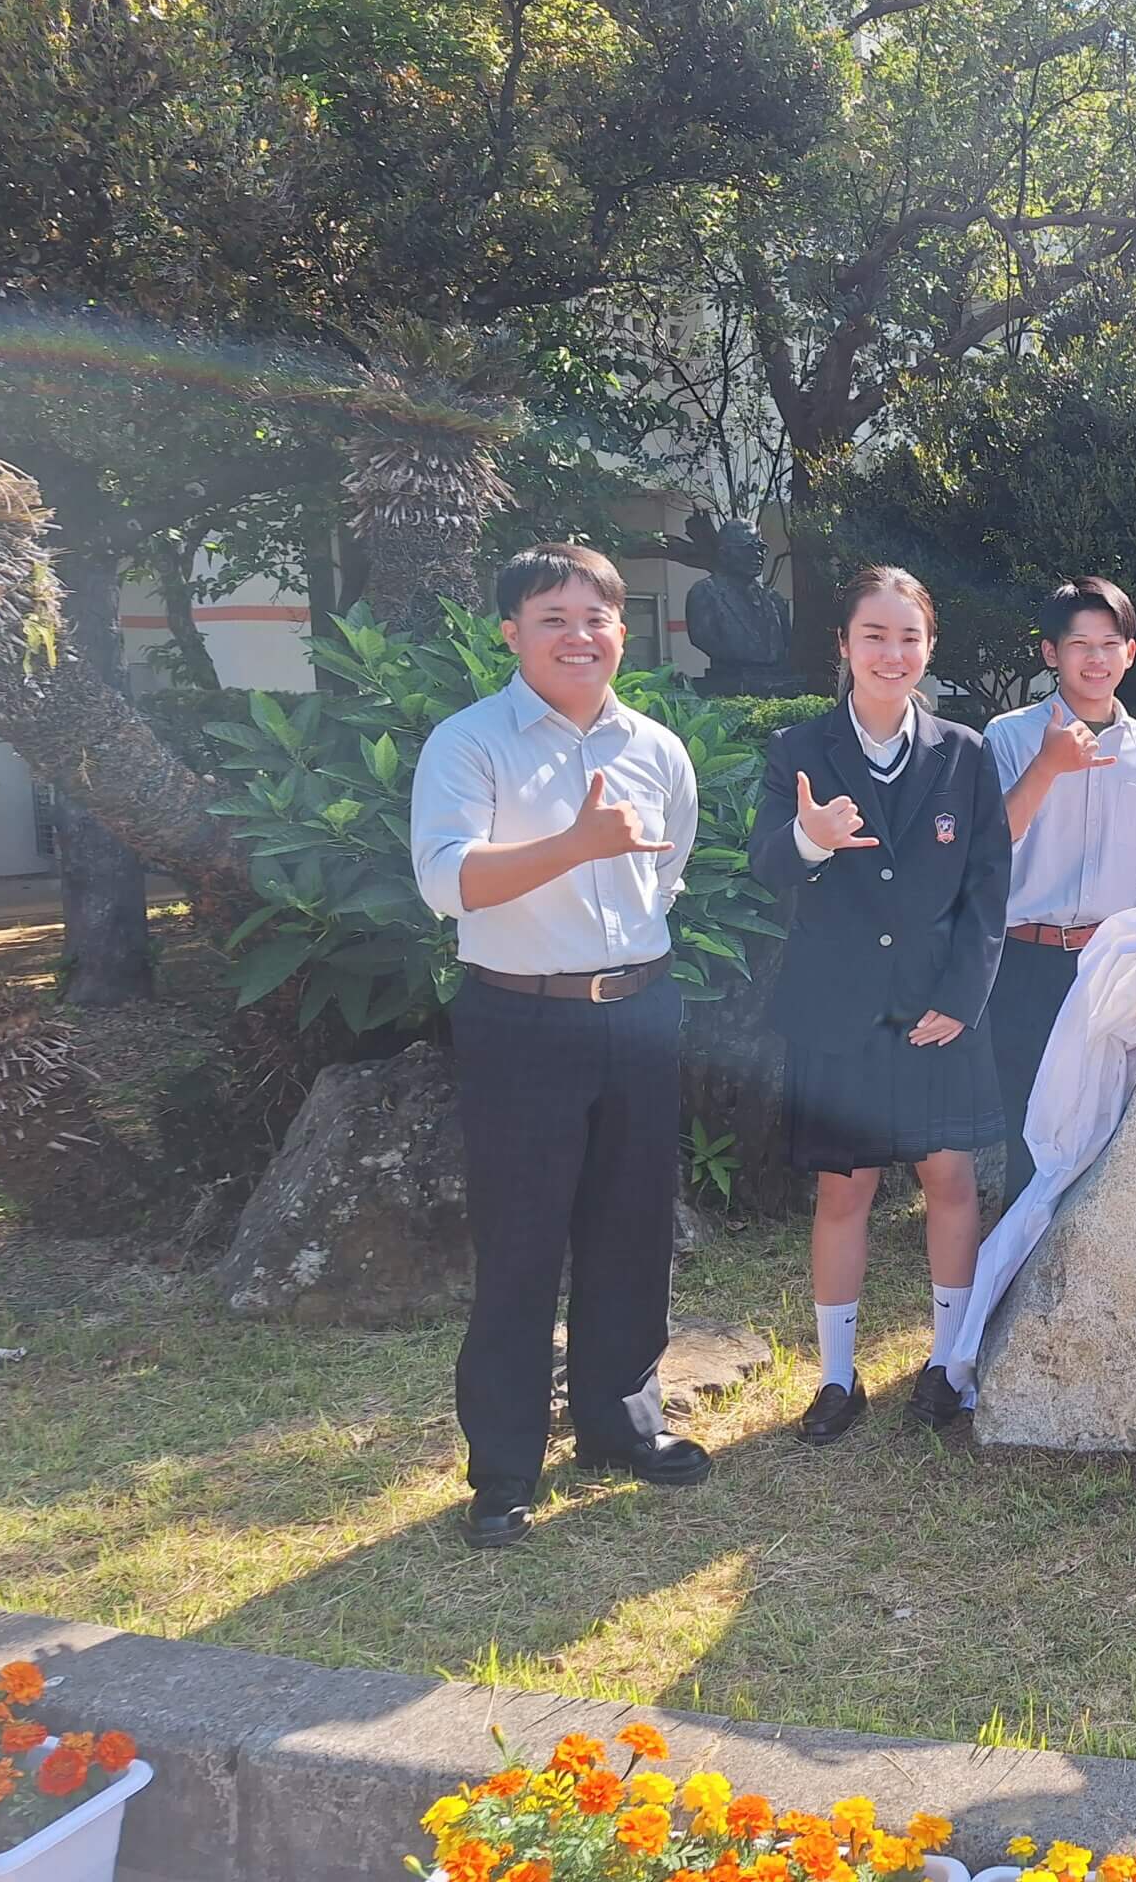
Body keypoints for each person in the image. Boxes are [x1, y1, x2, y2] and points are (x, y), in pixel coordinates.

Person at [409, 543, 707, 1550]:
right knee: (521, 1242)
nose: (579, 636)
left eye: (597, 617)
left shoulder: (657, 748)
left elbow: (666, 877)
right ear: (511, 633)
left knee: (633, 1228)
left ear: (623, 629)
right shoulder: (469, 742)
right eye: (553, 618)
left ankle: (621, 1427)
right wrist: (573, 846)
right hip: (521, 1020)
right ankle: (504, 1467)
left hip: (640, 1010)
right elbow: (447, 882)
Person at [750, 566, 1012, 1445]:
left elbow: (987, 887)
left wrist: (964, 997)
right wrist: (808, 837)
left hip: (936, 1009)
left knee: (950, 1180)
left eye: (909, 637)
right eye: (874, 635)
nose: (892, 653)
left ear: (928, 648)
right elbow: (765, 866)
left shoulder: (964, 753)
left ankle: (948, 1367)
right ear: (844, 644)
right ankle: (836, 1378)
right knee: (844, 1188)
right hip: (840, 1010)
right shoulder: (799, 748)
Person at [983, 577, 1136, 1202]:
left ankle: (1090, 1258)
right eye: (1079, 644)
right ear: (1051, 652)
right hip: (1024, 959)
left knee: (1108, 1122)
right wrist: (1047, 769)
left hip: (1112, 962)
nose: (1095, 659)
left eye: (1110, 643)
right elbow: (987, 849)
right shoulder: (1009, 737)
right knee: (1028, 1126)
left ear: (1130, 653)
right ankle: (1021, 1260)